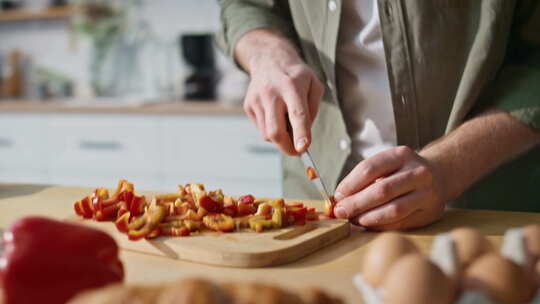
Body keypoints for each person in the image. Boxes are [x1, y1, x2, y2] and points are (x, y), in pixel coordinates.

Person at [217, 0, 540, 230]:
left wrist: (448, 168)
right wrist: (267, 53)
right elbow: (246, 5)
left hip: (484, 211)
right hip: (316, 210)